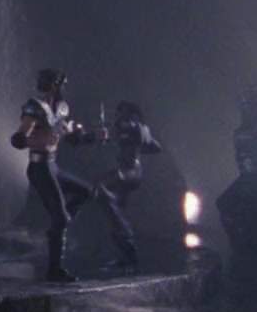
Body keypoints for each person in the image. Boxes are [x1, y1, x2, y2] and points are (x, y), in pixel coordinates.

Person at [9, 68, 107, 282]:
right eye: (61, 85)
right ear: (54, 86)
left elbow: (72, 139)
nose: (63, 88)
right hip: (39, 167)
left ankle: (59, 224)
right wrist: (33, 140)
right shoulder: (35, 108)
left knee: (87, 192)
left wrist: (94, 136)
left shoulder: (61, 109)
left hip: (52, 166)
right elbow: (17, 138)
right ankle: (54, 269)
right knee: (61, 218)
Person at [94, 101, 163, 272]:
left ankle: (127, 242)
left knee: (100, 188)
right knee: (111, 206)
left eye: (121, 112)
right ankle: (126, 254)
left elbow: (153, 145)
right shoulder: (127, 129)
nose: (118, 115)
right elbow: (153, 146)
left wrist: (136, 144)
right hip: (125, 171)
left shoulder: (135, 127)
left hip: (130, 172)